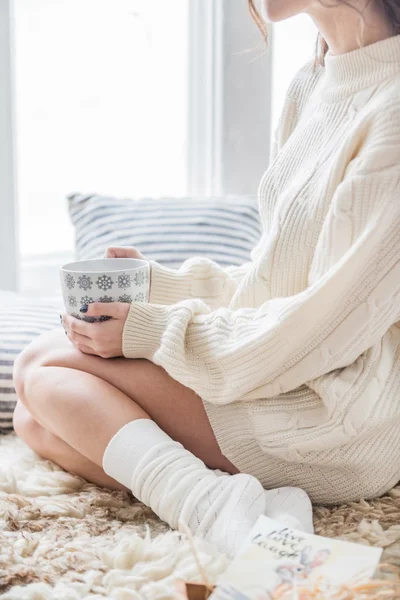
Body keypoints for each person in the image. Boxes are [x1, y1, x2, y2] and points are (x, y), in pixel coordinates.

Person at [13, 0, 400, 557]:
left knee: (43, 370)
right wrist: (160, 285)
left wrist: (150, 330)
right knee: (38, 417)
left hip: (339, 413)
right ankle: (236, 502)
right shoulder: (314, 82)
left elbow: (322, 326)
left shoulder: (391, 109)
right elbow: (275, 281)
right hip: (283, 365)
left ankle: (209, 506)